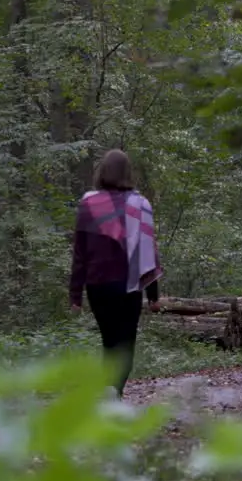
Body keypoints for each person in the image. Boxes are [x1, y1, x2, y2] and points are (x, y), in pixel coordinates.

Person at [69, 149, 165, 398]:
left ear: (102, 171)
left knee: (109, 341)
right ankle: (114, 391)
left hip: (97, 285)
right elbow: (148, 250)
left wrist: (75, 295)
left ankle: (109, 391)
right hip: (128, 285)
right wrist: (154, 295)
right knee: (125, 342)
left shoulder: (88, 203)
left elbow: (80, 251)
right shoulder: (140, 204)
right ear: (127, 173)